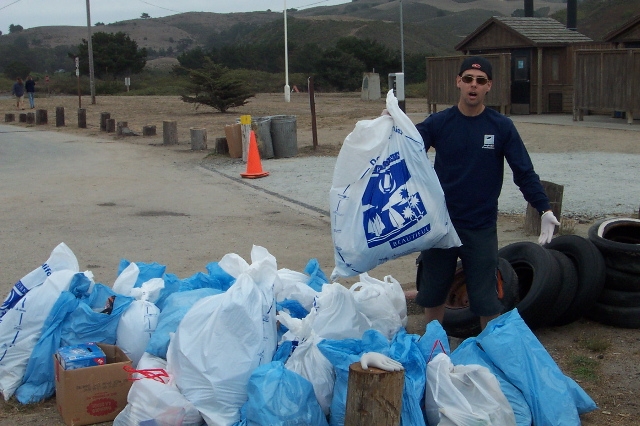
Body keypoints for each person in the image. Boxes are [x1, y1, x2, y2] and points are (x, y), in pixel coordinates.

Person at [414, 56, 560, 330]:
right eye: (468, 79)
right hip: (441, 224)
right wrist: (391, 122)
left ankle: (490, 351)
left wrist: (544, 209)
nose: (473, 85)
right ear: (458, 82)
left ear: (488, 86)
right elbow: (407, 146)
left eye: (480, 81)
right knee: (433, 292)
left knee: (486, 298)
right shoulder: (439, 123)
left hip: (480, 226)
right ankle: (432, 347)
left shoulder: (501, 126)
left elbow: (524, 172)